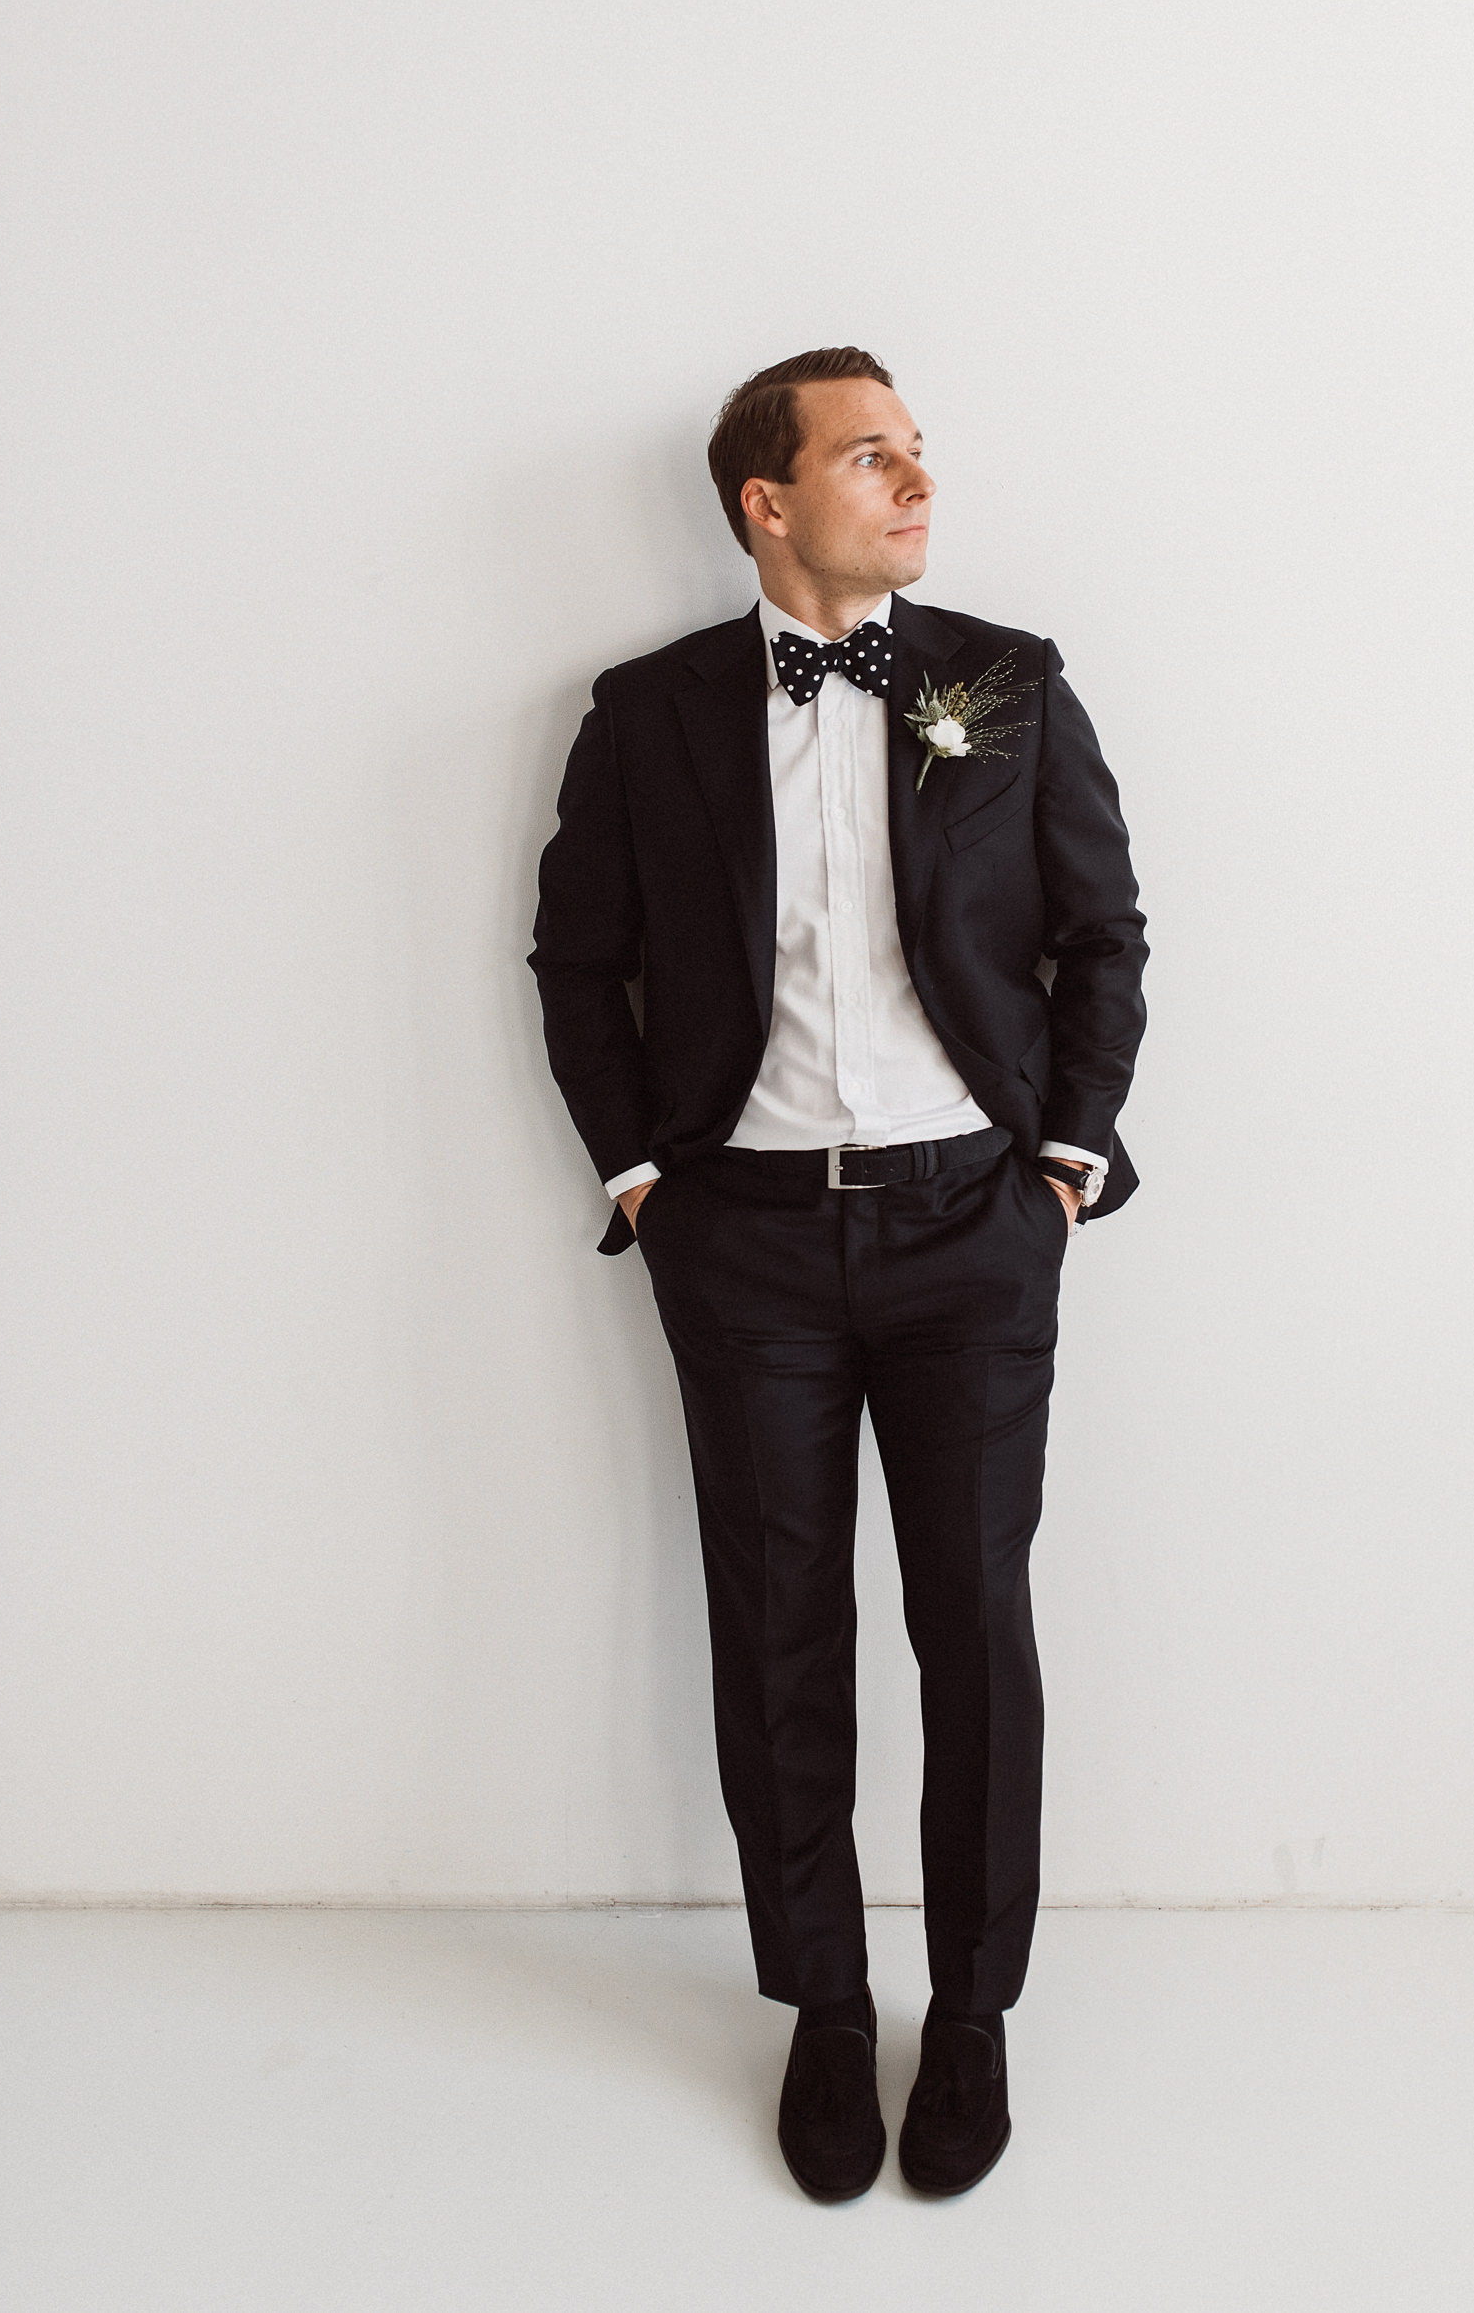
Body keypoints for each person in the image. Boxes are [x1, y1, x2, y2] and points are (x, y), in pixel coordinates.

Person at [529, 347, 1146, 2200]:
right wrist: (646, 1179)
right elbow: (577, 959)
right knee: (780, 1633)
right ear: (769, 502)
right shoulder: (650, 713)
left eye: (918, 449)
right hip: (751, 1249)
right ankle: (821, 2003)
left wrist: (1064, 1162)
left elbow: (1105, 932)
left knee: (975, 1626)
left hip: (975, 1231)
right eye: (871, 455)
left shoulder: (1001, 680)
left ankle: (971, 2012)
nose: (916, 479)